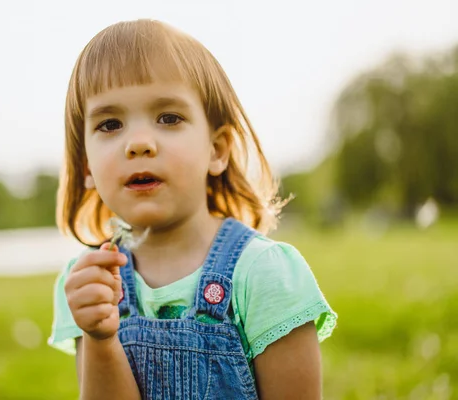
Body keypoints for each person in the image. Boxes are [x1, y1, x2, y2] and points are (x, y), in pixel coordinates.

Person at [48, 19, 337, 399]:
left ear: (216, 150)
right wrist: (100, 338)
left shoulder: (263, 273)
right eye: (110, 123)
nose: (138, 143)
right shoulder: (88, 282)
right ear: (86, 166)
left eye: (169, 118)